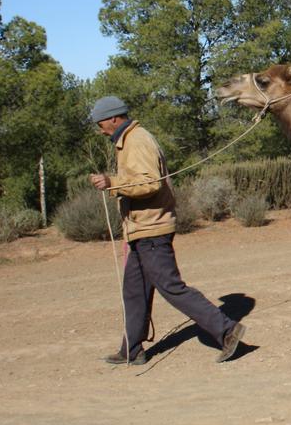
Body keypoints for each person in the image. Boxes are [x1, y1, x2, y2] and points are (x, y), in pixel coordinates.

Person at [87, 95, 247, 365]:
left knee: (171, 287)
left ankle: (227, 330)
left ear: (113, 118)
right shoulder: (127, 141)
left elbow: (150, 183)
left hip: (152, 228)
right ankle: (132, 349)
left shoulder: (137, 140)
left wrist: (112, 182)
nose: (99, 128)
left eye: (100, 123)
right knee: (134, 290)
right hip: (141, 229)